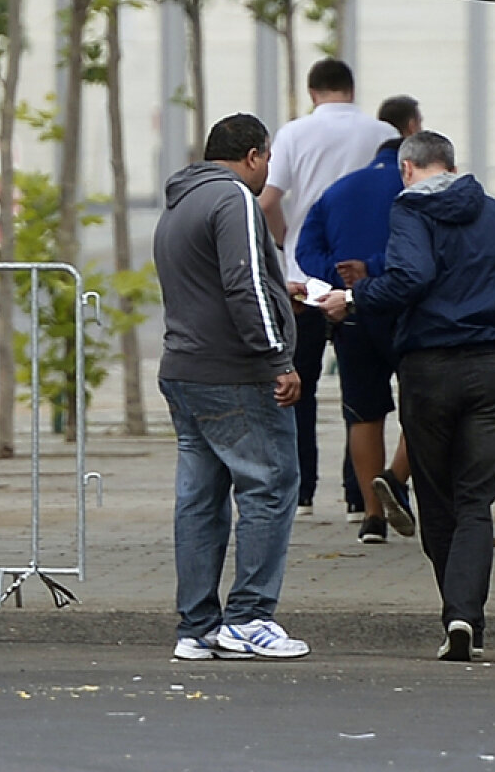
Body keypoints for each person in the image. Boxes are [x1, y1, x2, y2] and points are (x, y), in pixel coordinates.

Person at [322, 131, 495, 662]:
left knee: (438, 500)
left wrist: (354, 299)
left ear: (407, 170)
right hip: (489, 370)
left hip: (427, 369)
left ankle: (456, 613)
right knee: (476, 499)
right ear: (451, 164)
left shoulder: (411, 212)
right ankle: (467, 614)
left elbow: (410, 276)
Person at [153, 113, 310, 661]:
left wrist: (274, 286)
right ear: (253, 155)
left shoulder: (180, 202)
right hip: (235, 373)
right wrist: (278, 359)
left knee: (199, 498)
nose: (268, 169)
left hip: (184, 368)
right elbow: (242, 284)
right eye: (267, 159)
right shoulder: (235, 199)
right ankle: (249, 616)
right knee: (270, 483)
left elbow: (213, 281)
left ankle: (197, 626)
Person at [259, 59, 397, 521]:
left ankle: (301, 492)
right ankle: (360, 498)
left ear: (313, 91)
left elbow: (269, 200)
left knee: (301, 381)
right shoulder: (379, 132)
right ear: (351, 89)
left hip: (305, 274)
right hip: (363, 278)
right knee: (362, 388)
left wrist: (283, 243)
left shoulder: (295, 133)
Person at [295, 94, 424, 543]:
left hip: (353, 314)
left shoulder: (339, 189)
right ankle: (396, 479)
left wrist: (342, 279)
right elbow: (430, 253)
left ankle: (372, 516)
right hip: (411, 313)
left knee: (363, 413)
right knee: (422, 409)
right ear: (411, 134)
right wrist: (375, 267)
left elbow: (305, 250)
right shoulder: (417, 190)